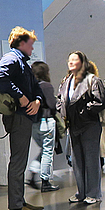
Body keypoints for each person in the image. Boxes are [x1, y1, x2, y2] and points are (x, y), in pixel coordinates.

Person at [0, 27, 45, 210]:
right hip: (19, 117)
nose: (32, 48)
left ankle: (19, 202)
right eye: (30, 44)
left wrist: (37, 101)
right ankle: (16, 206)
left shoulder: (21, 62)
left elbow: (36, 88)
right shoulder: (12, 59)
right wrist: (20, 96)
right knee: (18, 162)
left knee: (20, 161)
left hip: (23, 117)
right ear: (21, 43)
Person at [58, 51, 105, 204]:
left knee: (91, 160)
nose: (71, 62)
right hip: (73, 125)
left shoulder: (92, 80)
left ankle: (93, 193)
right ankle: (81, 192)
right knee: (77, 160)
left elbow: (101, 100)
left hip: (89, 124)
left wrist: (85, 111)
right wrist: (62, 110)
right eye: (69, 59)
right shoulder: (66, 81)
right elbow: (60, 99)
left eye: (75, 59)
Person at [28, 61, 60, 192]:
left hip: (34, 123)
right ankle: (45, 182)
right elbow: (52, 105)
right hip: (46, 122)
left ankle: (33, 173)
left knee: (43, 150)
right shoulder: (46, 86)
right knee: (47, 152)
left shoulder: (30, 86)